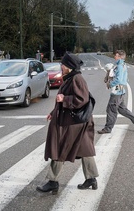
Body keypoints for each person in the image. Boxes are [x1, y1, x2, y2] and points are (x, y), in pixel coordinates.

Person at [37, 52, 99, 194]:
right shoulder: (71, 78)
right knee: (84, 148)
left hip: (73, 122)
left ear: (70, 66)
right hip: (77, 120)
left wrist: (64, 99)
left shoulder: (77, 79)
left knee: (60, 148)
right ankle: (91, 178)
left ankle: (53, 182)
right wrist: (53, 112)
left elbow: (81, 99)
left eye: (63, 64)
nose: (61, 66)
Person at [98, 50, 134, 134]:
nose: (115, 56)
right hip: (121, 91)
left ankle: (108, 128)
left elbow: (118, 79)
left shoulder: (119, 66)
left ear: (120, 57)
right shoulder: (122, 65)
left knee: (111, 110)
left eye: (116, 55)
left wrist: (110, 84)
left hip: (117, 91)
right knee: (122, 110)